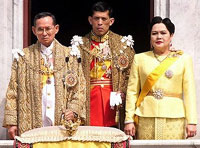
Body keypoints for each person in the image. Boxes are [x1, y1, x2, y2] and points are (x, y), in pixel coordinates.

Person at [3, 12, 86, 139]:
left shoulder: (70, 55)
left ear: (56, 29)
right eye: (40, 29)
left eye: (48, 28)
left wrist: (73, 111)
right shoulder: (23, 57)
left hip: (62, 119)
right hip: (31, 119)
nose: (44, 33)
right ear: (33, 30)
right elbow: (12, 91)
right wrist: (12, 122)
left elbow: (80, 88)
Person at [124, 16, 197, 139]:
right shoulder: (140, 58)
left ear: (171, 35)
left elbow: (190, 92)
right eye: (154, 33)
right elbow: (132, 92)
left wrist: (192, 121)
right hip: (146, 116)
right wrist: (129, 119)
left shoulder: (183, 59)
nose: (159, 37)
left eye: (163, 33)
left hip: (174, 117)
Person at [70, 1, 135, 129]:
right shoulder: (79, 44)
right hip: (88, 99)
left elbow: (132, 75)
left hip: (113, 100)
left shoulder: (123, 44)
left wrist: (122, 91)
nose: (100, 22)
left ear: (111, 21)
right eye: (96, 18)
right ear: (90, 20)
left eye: (104, 19)